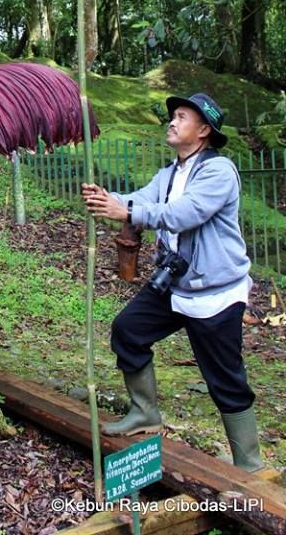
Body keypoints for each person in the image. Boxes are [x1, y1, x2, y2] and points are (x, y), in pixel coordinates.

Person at [82, 92, 263, 472]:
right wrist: (107, 199)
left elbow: (184, 214)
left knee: (224, 377)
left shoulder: (219, 172)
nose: (172, 121)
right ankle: (145, 412)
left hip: (216, 293)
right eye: (174, 116)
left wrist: (128, 210)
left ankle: (249, 464)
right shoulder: (169, 174)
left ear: (203, 131)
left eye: (182, 117)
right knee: (128, 330)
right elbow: (142, 199)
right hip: (175, 283)